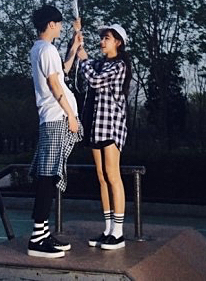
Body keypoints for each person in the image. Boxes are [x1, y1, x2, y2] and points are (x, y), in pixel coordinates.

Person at [28, 5, 83, 258]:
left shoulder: (40, 49)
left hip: (51, 118)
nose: (61, 27)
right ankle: (37, 238)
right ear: (51, 24)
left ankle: (42, 233)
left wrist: (73, 47)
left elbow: (62, 74)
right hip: (55, 118)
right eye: (59, 24)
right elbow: (53, 84)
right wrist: (70, 115)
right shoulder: (47, 50)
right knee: (48, 176)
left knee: (49, 175)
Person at [77, 23, 132, 250]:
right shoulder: (99, 64)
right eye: (102, 38)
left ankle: (119, 232)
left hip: (111, 126)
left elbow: (95, 80)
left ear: (118, 42)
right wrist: (79, 45)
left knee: (113, 175)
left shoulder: (120, 65)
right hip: (95, 126)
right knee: (101, 177)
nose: (102, 41)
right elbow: (87, 72)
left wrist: (84, 60)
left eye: (106, 38)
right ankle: (108, 229)